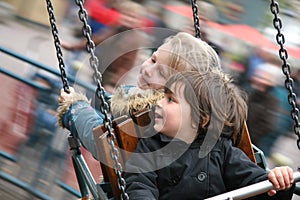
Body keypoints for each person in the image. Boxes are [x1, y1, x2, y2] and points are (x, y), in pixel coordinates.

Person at [124, 71, 295, 199]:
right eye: (164, 96)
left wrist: (278, 181)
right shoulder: (150, 146)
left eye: (170, 100)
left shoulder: (221, 150)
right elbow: (139, 184)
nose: (158, 103)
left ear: (200, 120)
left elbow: (258, 186)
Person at [57, 32, 222, 159]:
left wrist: (75, 107)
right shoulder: (147, 105)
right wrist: (114, 99)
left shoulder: (155, 115)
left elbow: (105, 145)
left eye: (162, 72)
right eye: (153, 60)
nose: (148, 70)